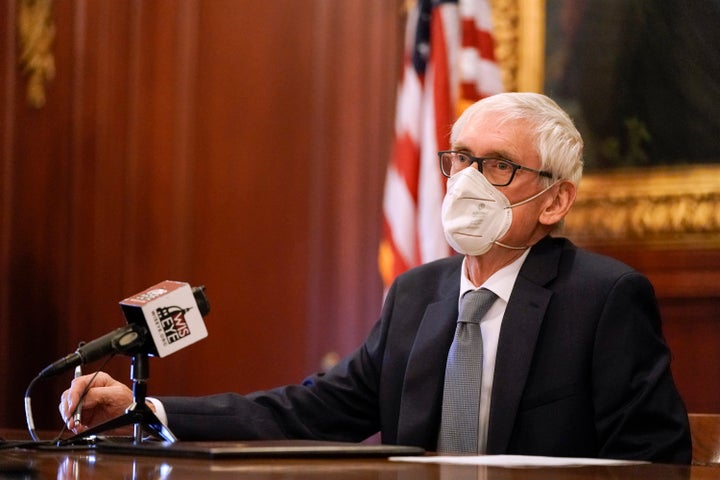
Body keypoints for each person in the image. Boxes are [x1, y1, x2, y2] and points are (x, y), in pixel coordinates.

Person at [59, 92, 691, 463]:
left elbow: (656, 464)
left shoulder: (604, 297)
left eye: (497, 165)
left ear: (554, 201)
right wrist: (148, 408)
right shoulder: (419, 293)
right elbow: (311, 411)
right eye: (460, 159)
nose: (467, 181)